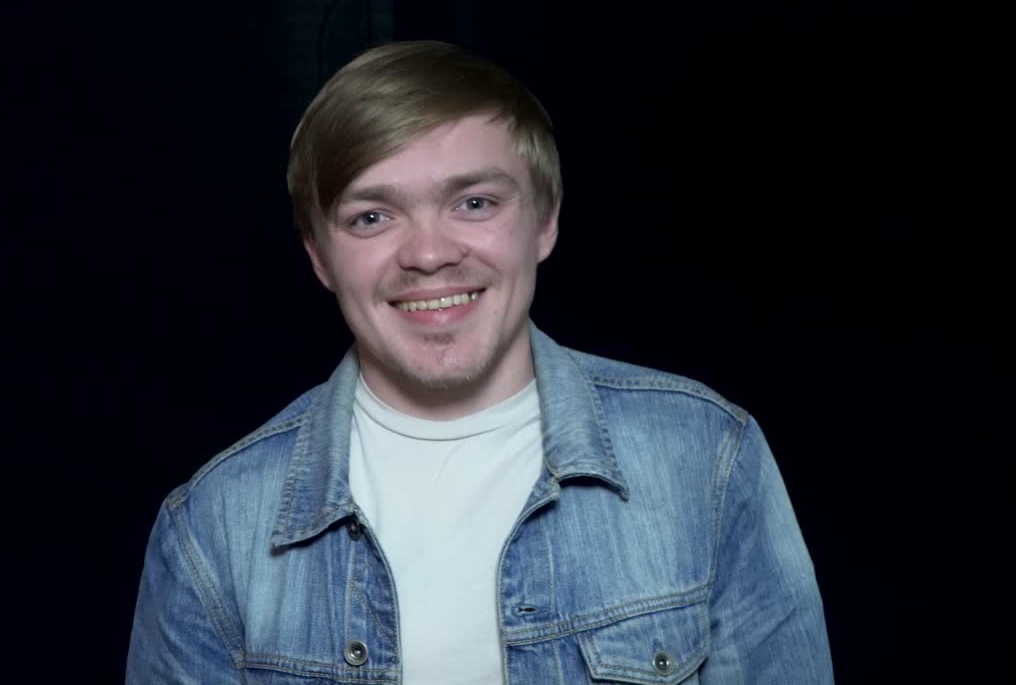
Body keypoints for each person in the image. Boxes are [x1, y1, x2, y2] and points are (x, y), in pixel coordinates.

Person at [126, 40, 832, 684]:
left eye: (474, 202)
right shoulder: (213, 527)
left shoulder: (704, 457)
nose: (429, 253)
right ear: (319, 255)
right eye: (372, 216)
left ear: (545, 221)